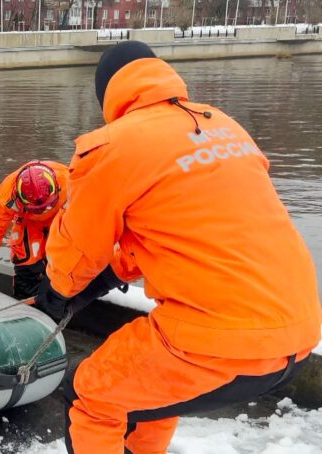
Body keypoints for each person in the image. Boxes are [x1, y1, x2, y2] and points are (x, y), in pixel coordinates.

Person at [36, 41, 321, 453]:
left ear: (107, 94)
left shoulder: (112, 145)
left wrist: (58, 291)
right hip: (298, 332)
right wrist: (108, 278)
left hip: (216, 341)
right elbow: (182, 232)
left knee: (89, 396)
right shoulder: (223, 125)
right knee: (148, 390)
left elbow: (75, 251)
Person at [0, 161, 67, 299]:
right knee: (26, 261)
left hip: (61, 217)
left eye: (45, 207)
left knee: (63, 261)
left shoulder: (70, 181)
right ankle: (25, 301)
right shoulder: (7, 195)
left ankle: (58, 298)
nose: (43, 211)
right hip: (28, 221)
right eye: (38, 209)